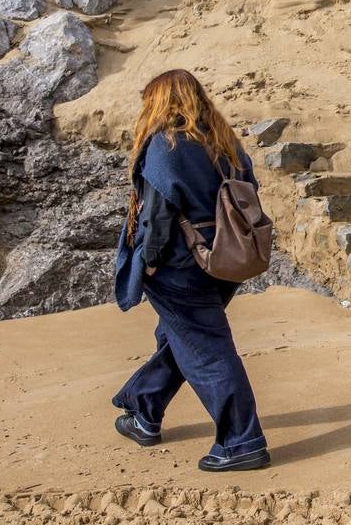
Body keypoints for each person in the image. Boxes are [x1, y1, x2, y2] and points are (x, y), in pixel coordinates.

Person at [111, 69, 271, 472]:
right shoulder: (225, 142)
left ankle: (241, 443)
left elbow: (157, 216)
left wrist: (147, 264)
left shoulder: (167, 145)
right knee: (181, 335)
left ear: (160, 102)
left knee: (205, 348)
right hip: (225, 260)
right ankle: (145, 412)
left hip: (180, 265)